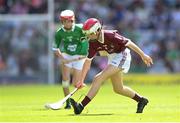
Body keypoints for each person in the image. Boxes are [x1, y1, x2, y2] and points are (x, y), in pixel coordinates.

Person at [70, 18, 153, 114]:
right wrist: (81, 80)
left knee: (98, 78)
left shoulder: (110, 35)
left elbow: (129, 43)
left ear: (97, 30)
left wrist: (143, 55)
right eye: (87, 34)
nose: (88, 36)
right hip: (112, 57)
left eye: (90, 33)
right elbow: (88, 62)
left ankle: (80, 106)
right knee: (118, 89)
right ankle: (141, 100)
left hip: (122, 55)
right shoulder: (92, 42)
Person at [51, 10, 88, 109]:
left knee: (75, 84)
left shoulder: (81, 28)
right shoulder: (59, 33)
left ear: (73, 20)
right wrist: (62, 58)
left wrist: (88, 53)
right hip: (67, 55)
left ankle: (71, 97)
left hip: (80, 56)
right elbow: (55, 48)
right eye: (66, 21)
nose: (69, 23)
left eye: (70, 21)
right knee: (65, 80)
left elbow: (90, 37)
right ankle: (67, 103)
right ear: (62, 22)